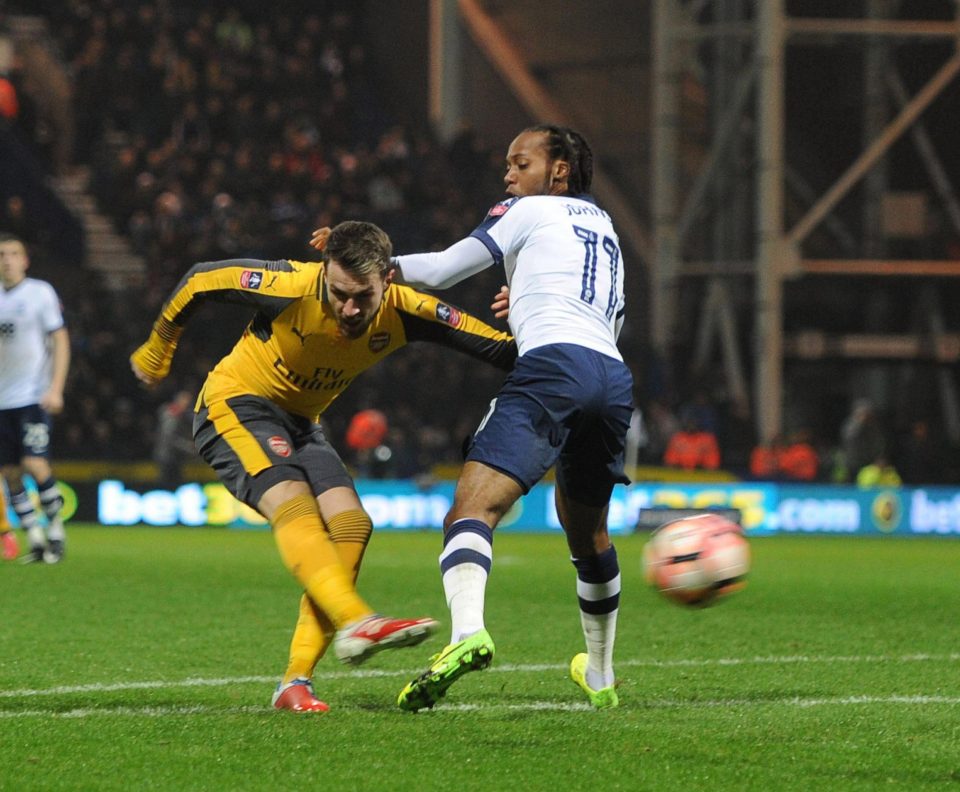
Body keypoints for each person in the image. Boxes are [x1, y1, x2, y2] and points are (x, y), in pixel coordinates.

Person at [130, 220, 517, 712]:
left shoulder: (408, 310)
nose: (349, 309)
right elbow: (203, 278)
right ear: (325, 276)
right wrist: (159, 344)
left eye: (363, 297)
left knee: (354, 525)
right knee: (295, 506)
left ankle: (295, 682)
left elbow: (503, 350)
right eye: (339, 295)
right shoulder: (290, 285)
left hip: (302, 423)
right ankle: (357, 621)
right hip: (235, 404)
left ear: (389, 281)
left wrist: (533, 309)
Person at [365, 124, 633, 711]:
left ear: (558, 170)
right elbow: (606, 323)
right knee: (587, 533)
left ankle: (467, 634)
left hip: (554, 368)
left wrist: (372, 264)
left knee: (471, 509)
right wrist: (527, 304)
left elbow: (438, 271)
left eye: (521, 162)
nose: (508, 175)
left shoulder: (525, 209)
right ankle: (602, 672)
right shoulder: (606, 229)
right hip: (611, 379)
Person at [0, 233, 70, 564]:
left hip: (31, 397)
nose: (7, 259)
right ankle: (36, 540)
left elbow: (60, 339)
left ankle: (56, 531)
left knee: (34, 463)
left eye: (14, 253)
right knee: (10, 474)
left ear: (25, 260)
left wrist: (55, 387)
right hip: (1, 401)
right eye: (2, 254)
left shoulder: (40, 293)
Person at [153, 389, 196, 487]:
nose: (188, 404)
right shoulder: (171, 414)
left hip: (174, 457)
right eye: (186, 401)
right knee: (168, 485)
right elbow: (170, 438)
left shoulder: (181, 415)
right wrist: (188, 447)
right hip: (167, 458)